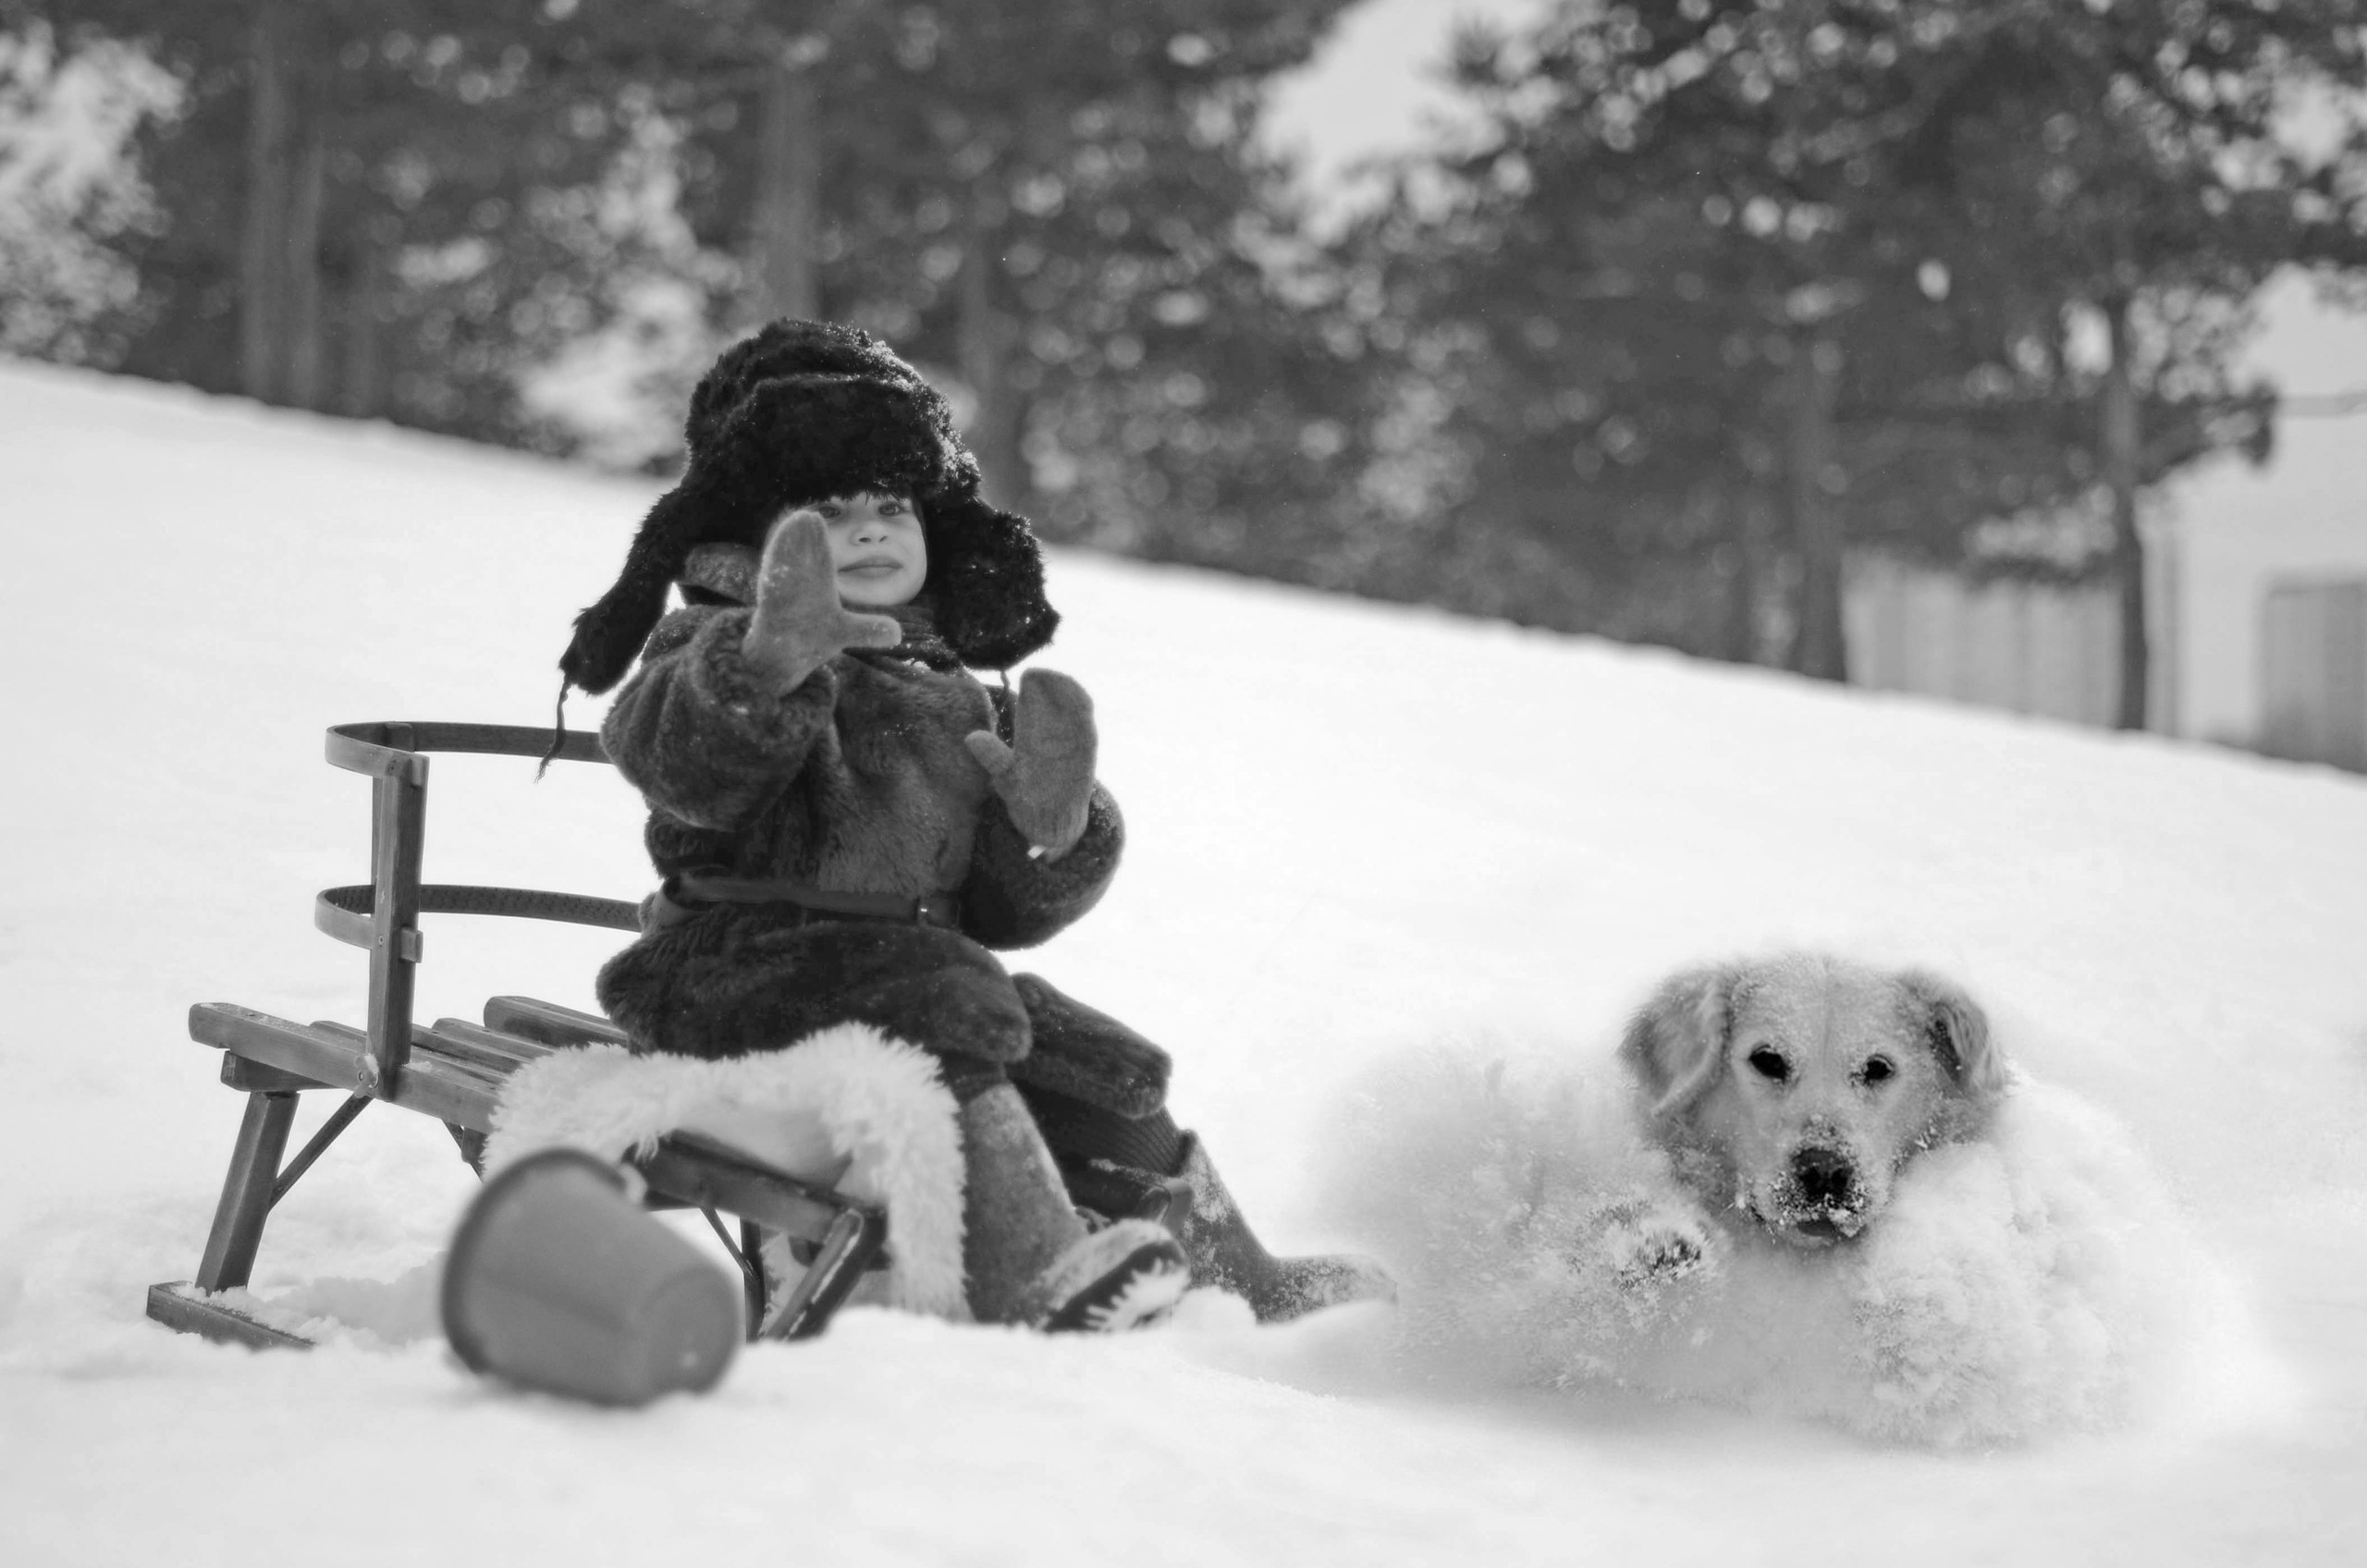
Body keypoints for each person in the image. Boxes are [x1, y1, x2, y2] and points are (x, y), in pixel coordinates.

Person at [558, 318, 1388, 1329]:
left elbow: (996, 914)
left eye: (891, 507)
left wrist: (1049, 834)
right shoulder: (712, 642)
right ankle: (1040, 1270)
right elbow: (676, 763)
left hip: (903, 974)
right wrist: (768, 665)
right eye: (827, 509)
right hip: (732, 971)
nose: (866, 530)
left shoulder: (953, 692)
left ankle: (1232, 1276)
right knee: (950, 991)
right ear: (758, 536)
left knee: (1099, 1060)